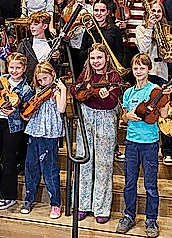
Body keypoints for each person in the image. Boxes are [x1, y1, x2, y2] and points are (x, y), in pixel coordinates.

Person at [116, 54, 170, 237]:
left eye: (142, 68)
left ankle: (151, 219)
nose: (139, 71)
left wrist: (166, 98)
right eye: (136, 68)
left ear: (148, 70)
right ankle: (129, 215)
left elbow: (163, 114)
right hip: (131, 142)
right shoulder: (128, 92)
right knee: (129, 182)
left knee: (150, 184)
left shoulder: (154, 89)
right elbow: (123, 116)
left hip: (150, 143)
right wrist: (126, 116)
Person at [70, 43, 123, 224]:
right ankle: (82, 205)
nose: (96, 61)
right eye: (93, 58)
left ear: (106, 58)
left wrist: (104, 96)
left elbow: (112, 103)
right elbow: (74, 89)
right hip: (86, 119)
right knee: (85, 161)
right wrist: (82, 92)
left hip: (106, 120)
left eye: (99, 57)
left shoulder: (113, 76)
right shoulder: (86, 74)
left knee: (103, 165)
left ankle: (101, 207)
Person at [0, 53, 34, 210]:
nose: (14, 71)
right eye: (11, 67)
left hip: (12, 127)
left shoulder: (26, 89)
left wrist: (15, 109)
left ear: (24, 68)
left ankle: (9, 196)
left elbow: (27, 111)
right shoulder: (2, 79)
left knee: (8, 161)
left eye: (18, 68)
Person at [20, 62, 67, 219]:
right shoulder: (38, 91)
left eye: (45, 78)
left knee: (50, 169)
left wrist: (63, 89)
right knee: (31, 166)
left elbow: (61, 109)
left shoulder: (56, 90)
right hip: (35, 131)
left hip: (49, 134)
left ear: (53, 75)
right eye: (40, 80)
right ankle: (28, 199)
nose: (43, 82)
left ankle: (55, 203)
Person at [134, 0, 172, 83]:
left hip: (163, 73)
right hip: (147, 72)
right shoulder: (140, 29)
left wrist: (171, 58)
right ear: (148, 13)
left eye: (159, 11)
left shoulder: (165, 29)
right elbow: (143, 50)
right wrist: (149, 28)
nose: (156, 14)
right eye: (153, 11)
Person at [17, 11, 60, 82]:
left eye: (36, 24)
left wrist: (56, 59)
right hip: (29, 82)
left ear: (45, 26)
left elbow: (57, 68)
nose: (32, 27)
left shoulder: (52, 43)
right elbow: (19, 63)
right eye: (31, 24)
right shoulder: (24, 44)